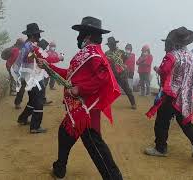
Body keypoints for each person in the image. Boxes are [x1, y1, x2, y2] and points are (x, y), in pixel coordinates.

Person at [39, 16, 123, 180]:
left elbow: (103, 77)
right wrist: (49, 67)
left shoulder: (95, 55)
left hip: (86, 109)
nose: (78, 37)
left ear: (87, 35)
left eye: (80, 33)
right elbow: (69, 76)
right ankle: (60, 168)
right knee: (65, 133)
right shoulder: (86, 53)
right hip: (77, 108)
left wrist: (80, 89)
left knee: (95, 146)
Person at [145, 27, 193, 158]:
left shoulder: (171, 56)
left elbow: (164, 71)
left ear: (173, 42)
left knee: (162, 121)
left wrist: (157, 69)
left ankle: (160, 148)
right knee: (184, 121)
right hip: (185, 96)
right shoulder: (192, 57)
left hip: (172, 95)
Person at [11, 23, 48, 133]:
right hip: (32, 77)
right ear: (32, 36)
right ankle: (35, 127)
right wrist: (40, 56)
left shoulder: (28, 46)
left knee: (32, 100)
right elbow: (29, 59)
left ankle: (22, 119)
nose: (39, 38)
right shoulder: (29, 47)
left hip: (29, 77)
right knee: (39, 100)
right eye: (37, 35)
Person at [13, 38, 52, 109]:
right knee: (27, 86)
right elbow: (28, 59)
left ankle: (18, 102)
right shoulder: (32, 49)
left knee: (39, 86)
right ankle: (19, 103)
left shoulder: (34, 49)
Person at [105, 37, 136, 109]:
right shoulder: (106, 53)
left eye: (112, 44)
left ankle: (133, 103)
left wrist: (120, 65)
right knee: (108, 88)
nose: (110, 45)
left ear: (115, 44)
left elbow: (125, 59)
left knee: (126, 89)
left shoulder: (121, 52)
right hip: (112, 74)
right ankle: (106, 104)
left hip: (122, 73)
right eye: (109, 44)